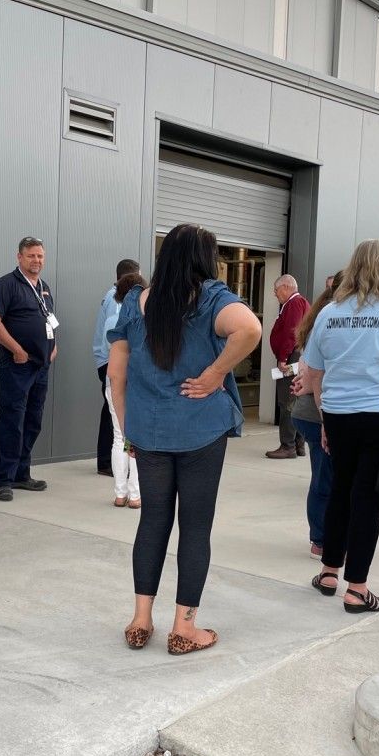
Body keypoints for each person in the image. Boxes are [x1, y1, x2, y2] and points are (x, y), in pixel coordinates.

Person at [107, 223, 262, 655]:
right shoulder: (212, 297)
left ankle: (140, 621)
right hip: (200, 430)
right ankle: (183, 628)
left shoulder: (136, 304)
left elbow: (117, 376)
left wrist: (128, 429)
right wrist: (214, 375)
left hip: (150, 431)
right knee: (195, 526)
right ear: (204, 258)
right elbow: (250, 329)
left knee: (152, 519)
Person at [301, 241, 379, 614]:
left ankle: (329, 571)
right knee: (368, 501)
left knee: (340, 491)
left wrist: (326, 421)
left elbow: (315, 374)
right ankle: (357, 588)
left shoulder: (328, 314)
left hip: (339, 417)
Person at [0, 237, 57, 502]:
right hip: (17, 366)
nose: (36, 260)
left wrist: (53, 345)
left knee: (33, 421)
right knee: (12, 421)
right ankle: (4, 479)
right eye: (31, 256)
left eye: (40, 256)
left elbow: (49, 320)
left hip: (41, 366)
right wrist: (16, 349)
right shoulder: (6, 285)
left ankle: (21, 474)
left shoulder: (44, 288)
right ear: (19, 257)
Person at [290, 272, 341, 559]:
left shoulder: (319, 316)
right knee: (325, 478)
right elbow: (313, 372)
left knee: (326, 477)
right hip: (318, 413)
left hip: (312, 411)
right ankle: (320, 539)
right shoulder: (331, 320)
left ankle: (325, 536)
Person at [93, 259, 142, 476]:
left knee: (113, 417)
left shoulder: (114, 297)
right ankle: (109, 464)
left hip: (109, 360)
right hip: (112, 362)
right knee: (118, 422)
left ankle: (112, 466)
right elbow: (114, 338)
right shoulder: (118, 303)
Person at [104, 271, 147, 509]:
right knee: (136, 439)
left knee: (119, 437)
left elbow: (104, 353)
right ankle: (136, 494)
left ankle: (120, 493)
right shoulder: (142, 321)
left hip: (113, 382)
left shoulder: (112, 320)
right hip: (136, 384)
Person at [266, 274, 310, 460]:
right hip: (297, 357)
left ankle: (288, 445)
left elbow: (291, 332)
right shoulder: (300, 303)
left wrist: (282, 357)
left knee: (287, 402)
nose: (275, 295)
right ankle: (298, 444)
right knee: (295, 399)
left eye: (276, 291)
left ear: (285, 287)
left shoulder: (293, 304)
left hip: (291, 357)